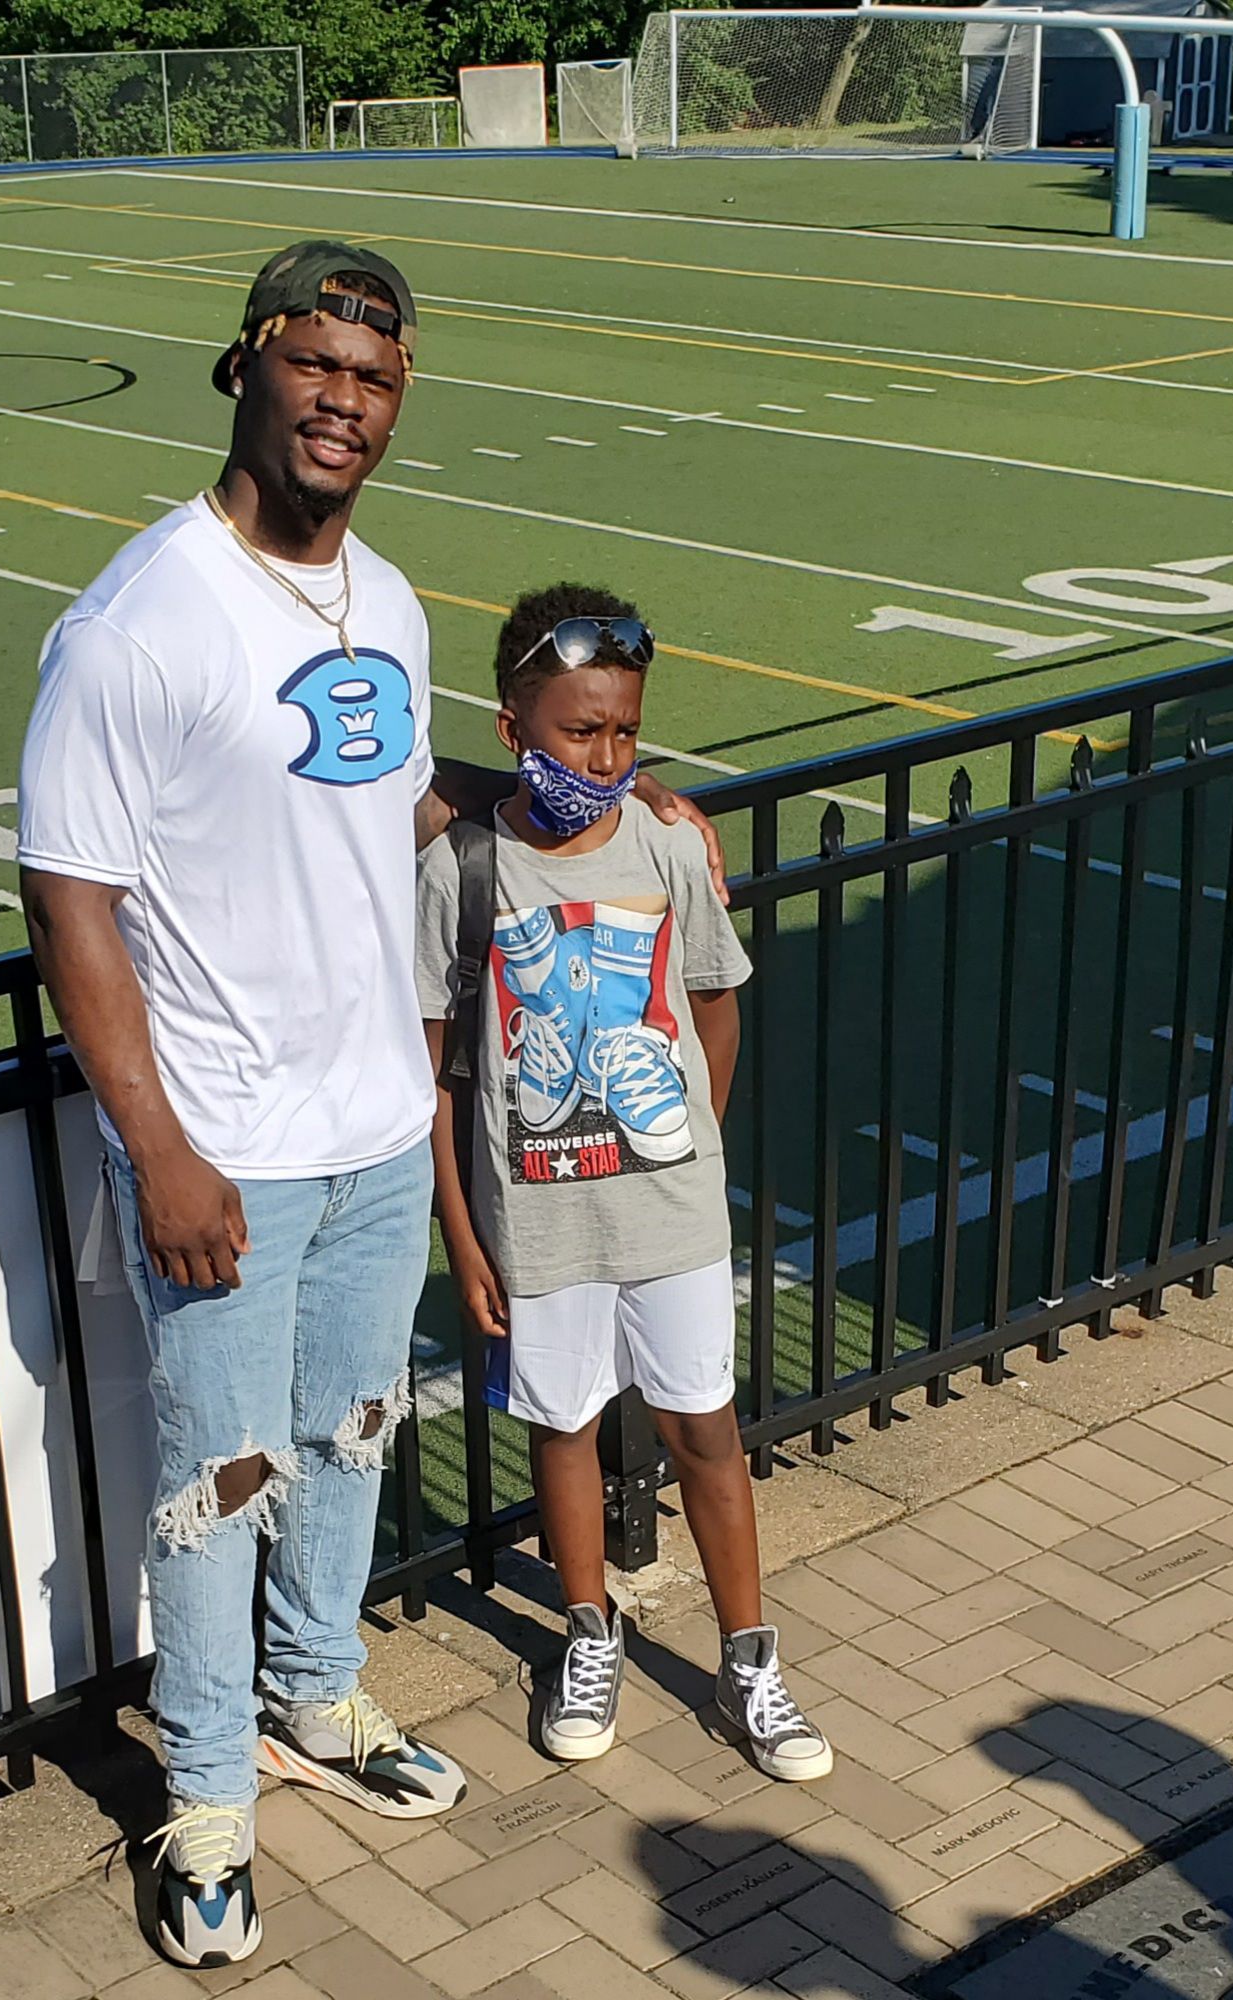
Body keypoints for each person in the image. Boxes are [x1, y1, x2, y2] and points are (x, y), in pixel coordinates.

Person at [15, 246, 722, 1971]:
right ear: (245, 370)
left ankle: (314, 1696)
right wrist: (161, 1145)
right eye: (313, 365)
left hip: (368, 1130)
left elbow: (399, 787)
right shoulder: (138, 617)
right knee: (216, 1479)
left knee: (348, 1437)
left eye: (375, 377)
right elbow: (68, 897)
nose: (342, 401)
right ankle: (200, 1791)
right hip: (226, 1152)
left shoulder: (388, 602)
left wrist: (575, 804)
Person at [416, 583, 833, 1786]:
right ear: (510, 728)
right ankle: (587, 1629)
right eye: (575, 732)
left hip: (669, 1212)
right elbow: (440, 1068)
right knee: (566, 1426)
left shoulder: (664, 846)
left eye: (622, 734)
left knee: (705, 1425)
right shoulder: (464, 868)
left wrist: (689, 1150)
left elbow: (714, 1008)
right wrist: (463, 1225)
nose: (601, 758)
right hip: (534, 1217)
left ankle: (747, 1652)